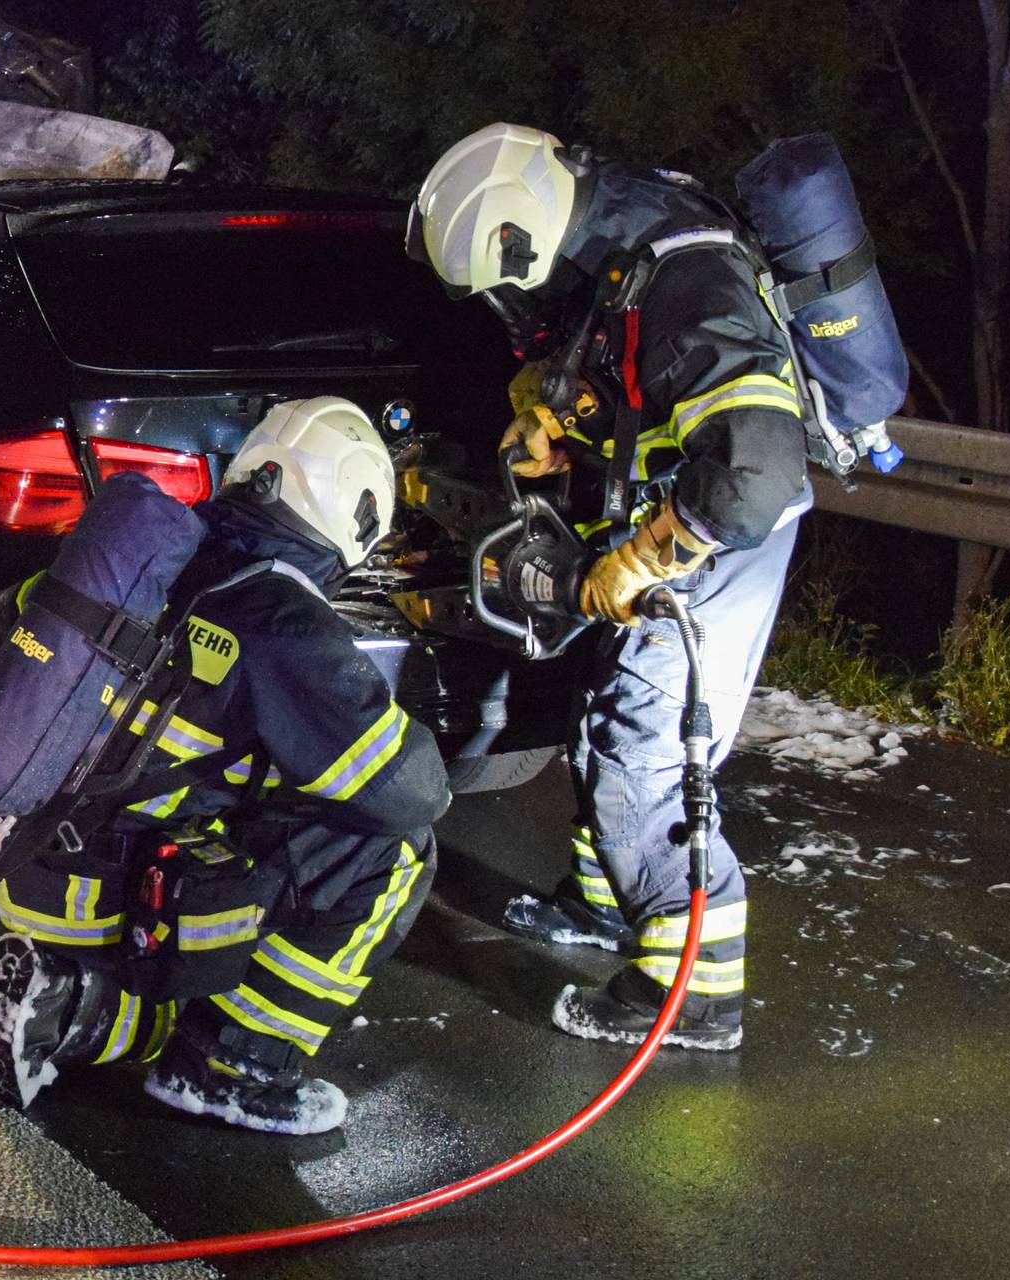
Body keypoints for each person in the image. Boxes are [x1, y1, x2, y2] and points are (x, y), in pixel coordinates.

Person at [407, 122, 815, 1051]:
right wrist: (550, 412)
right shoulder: (613, 230)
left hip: (718, 541)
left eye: (509, 283)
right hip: (675, 519)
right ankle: (606, 906)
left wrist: (643, 559)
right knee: (602, 721)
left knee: (646, 752)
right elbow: (606, 360)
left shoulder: (690, 278)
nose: (514, 302)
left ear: (521, 235)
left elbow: (756, 473)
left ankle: (693, 993)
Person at [0, 397, 452, 1135]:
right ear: (353, 515)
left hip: (34, 865)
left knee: (214, 828)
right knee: (395, 853)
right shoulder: (283, 618)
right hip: (127, 894)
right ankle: (230, 1068)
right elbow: (407, 793)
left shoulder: (158, 554)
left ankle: (71, 1005)